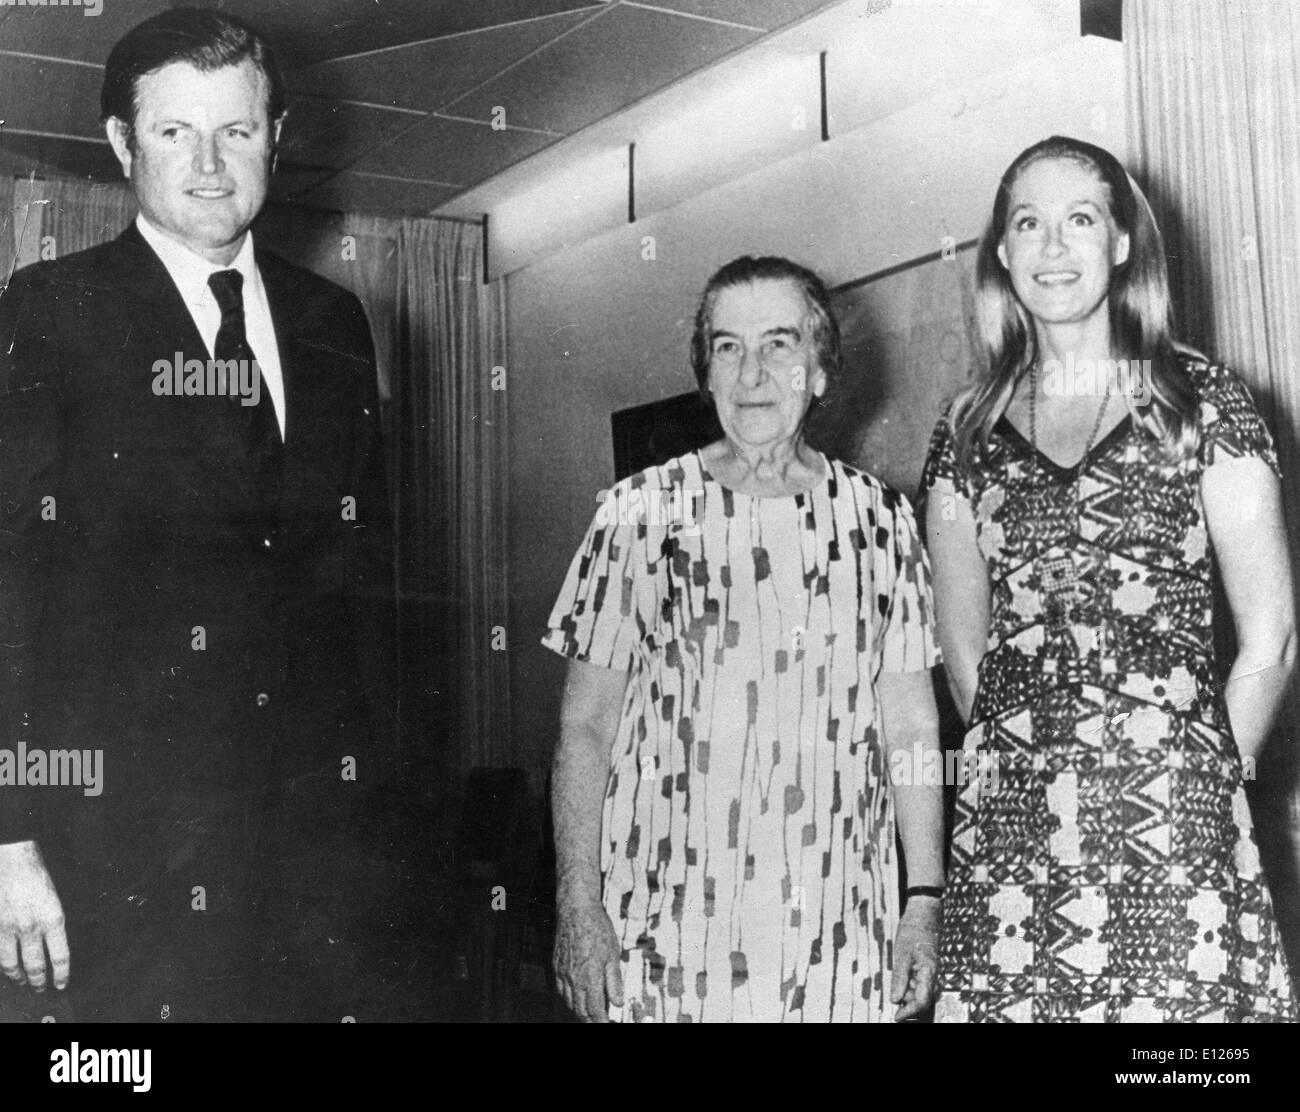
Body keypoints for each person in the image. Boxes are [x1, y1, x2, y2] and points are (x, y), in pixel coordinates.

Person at [0, 8, 394, 1021]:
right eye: (176, 131)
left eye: (238, 130)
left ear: (277, 137)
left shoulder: (332, 324)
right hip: (119, 852)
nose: (212, 163)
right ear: (124, 145)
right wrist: (8, 836)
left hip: (311, 857)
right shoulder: (48, 313)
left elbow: (356, 590)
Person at [921, 135, 1296, 1022]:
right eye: (1030, 225)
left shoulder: (1199, 402)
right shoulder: (963, 432)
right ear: (1003, 255)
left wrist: (1204, 778)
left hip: (1178, 830)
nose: (1054, 248)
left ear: (1121, 243)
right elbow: (964, 648)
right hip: (1012, 835)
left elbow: (1271, 632)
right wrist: (1037, 773)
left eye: (1079, 220)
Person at [545, 255, 945, 1022]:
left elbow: (913, 729)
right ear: (707, 373)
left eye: (779, 344)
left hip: (838, 938)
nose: (752, 372)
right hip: (667, 940)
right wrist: (578, 905)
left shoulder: (881, 522)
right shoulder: (640, 514)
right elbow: (584, 728)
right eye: (728, 347)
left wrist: (922, 900)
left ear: (821, 372)